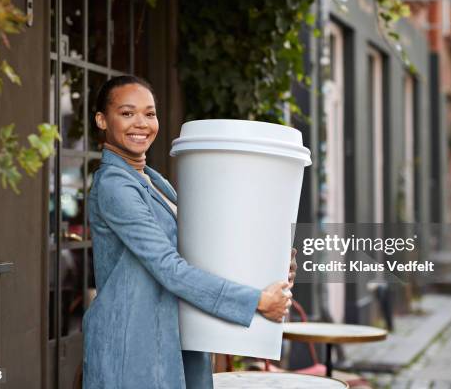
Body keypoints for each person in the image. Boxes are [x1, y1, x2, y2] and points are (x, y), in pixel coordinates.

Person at [83, 75, 297, 388]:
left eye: (150, 113)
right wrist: (256, 301)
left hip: (175, 335)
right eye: (127, 113)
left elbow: (200, 252)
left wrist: (270, 268)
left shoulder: (155, 181)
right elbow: (169, 268)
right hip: (133, 345)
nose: (141, 123)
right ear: (102, 120)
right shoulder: (115, 186)